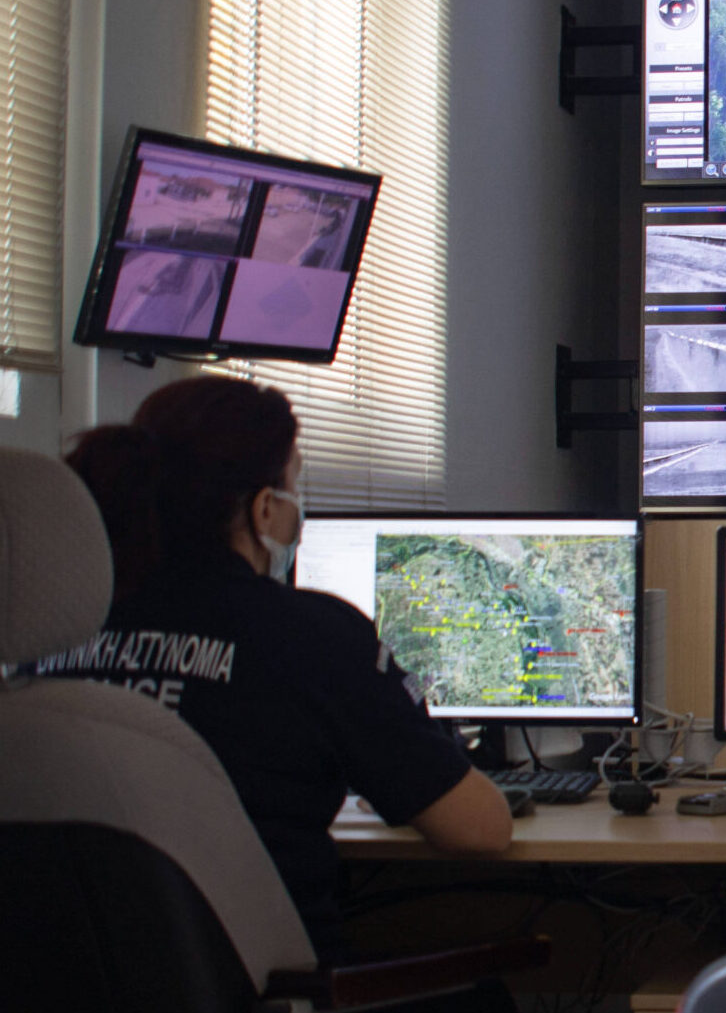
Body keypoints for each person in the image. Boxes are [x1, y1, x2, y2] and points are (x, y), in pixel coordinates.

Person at [33, 377, 510, 956]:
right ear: (264, 508)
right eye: (295, 484)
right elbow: (479, 829)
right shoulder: (311, 636)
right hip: (272, 987)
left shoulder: (52, 634)